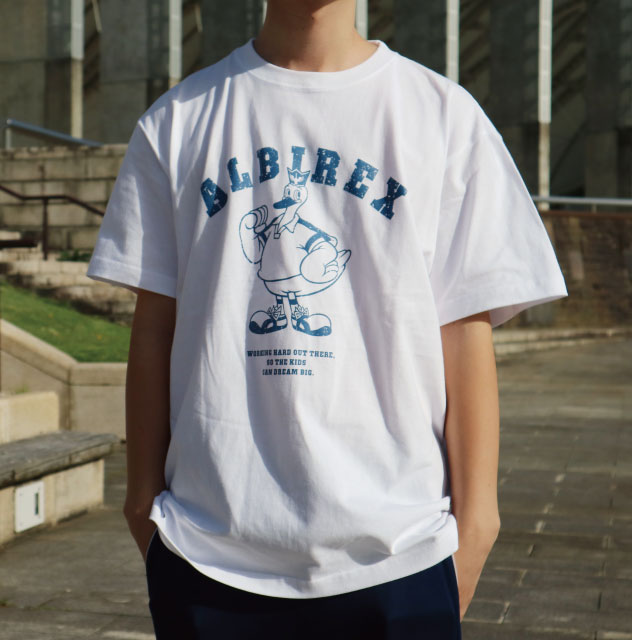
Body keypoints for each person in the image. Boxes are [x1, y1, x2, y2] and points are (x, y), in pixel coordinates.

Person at [86, 1, 568, 637]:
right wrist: (143, 504)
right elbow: (154, 326)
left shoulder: (444, 117)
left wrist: (476, 527)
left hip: (401, 553)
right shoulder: (178, 122)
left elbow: (463, 333)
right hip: (208, 555)